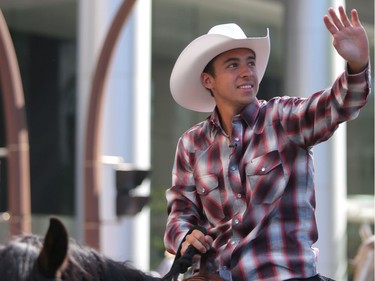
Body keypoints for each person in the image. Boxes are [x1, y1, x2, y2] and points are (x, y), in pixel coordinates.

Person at [164, 5, 371, 281]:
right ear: (208, 80)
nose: (247, 71)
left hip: (283, 275)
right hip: (216, 276)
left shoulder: (283, 118)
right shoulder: (191, 143)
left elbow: (337, 105)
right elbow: (179, 213)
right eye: (233, 65)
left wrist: (357, 66)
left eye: (250, 62)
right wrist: (186, 237)